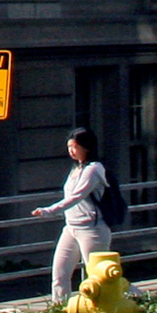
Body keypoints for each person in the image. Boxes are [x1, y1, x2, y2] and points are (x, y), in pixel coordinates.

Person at [32, 126, 112, 303]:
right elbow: (69, 195)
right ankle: (60, 312)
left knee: (101, 275)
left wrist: (49, 211)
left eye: (75, 147)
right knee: (59, 274)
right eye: (69, 147)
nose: (71, 151)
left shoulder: (94, 169)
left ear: (87, 147)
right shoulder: (75, 169)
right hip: (71, 227)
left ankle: (136, 299)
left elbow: (76, 197)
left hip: (92, 229)